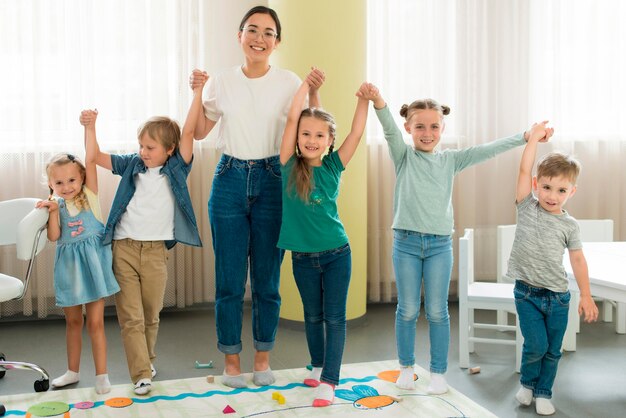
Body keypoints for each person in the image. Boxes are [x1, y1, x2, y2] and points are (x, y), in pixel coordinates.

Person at [367, 90, 554, 394]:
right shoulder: (403, 156)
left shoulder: (451, 160)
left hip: (440, 246)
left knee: (438, 311)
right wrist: (379, 102)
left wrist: (526, 136)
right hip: (406, 244)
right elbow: (388, 127)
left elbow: (489, 149)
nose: (427, 133)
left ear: (442, 129)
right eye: (420, 127)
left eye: (434, 127)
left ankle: (438, 373)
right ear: (408, 129)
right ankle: (406, 367)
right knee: (408, 309)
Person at [188, 5, 324, 388]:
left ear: (277, 42)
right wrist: (197, 92)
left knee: (266, 280)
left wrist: (314, 89)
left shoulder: (288, 81)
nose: (259, 38)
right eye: (252, 30)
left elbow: (314, 125)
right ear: (239, 36)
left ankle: (262, 360)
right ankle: (232, 362)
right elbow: (199, 132)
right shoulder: (221, 82)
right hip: (229, 178)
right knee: (229, 280)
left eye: (268, 32)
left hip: (272, 182)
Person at [81, 76, 205, 395]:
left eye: (150, 148)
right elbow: (94, 156)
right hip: (123, 248)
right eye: (141, 146)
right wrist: (90, 127)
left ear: (170, 150)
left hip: (154, 253)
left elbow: (190, 132)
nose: (143, 152)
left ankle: (147, 360)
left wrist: (197, 92)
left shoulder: (177, 168)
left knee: (151, 313)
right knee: (131, 317)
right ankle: (140, 374)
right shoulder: (131, 164)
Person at [277, 80, 376, 406]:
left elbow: (356, 134)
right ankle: (318, 366)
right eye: (306, 134)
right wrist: (306, 88)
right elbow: (294, 118)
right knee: (312, 315)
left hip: (337, 254)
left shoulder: (334, 165)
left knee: (334, 318)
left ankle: (329, 381)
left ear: (329, 141)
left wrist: (364, 100)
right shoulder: (288, 165)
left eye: (320, 136)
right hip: (303, 258)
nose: (311, 140)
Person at [507, 130, 599, 415]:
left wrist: (586, 295)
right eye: (546, 187)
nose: (552, 196)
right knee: (536, 344)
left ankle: (544, 392)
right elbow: (524, 168)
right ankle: (528, 384)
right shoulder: (526, 207)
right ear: (536, 185)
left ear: (571, 192)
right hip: (527, 294)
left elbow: (578, 260)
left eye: (561, 190)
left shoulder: (570, 226)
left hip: (558, 297)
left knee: (552, 349)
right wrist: (533, 140)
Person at [36, 150, 120, 394]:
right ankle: (72, 371)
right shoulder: (57, 205)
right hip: (69, 269)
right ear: (50, 184)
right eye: (59, 182)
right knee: (73, 322)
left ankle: (102, 375)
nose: (66, 186)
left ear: (82, 178)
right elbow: (54, 237)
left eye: (71, 180)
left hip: (93, 268)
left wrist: (89, 127)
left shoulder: (90, 196)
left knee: (95, 323)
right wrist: (52, 211)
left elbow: (91, 157)